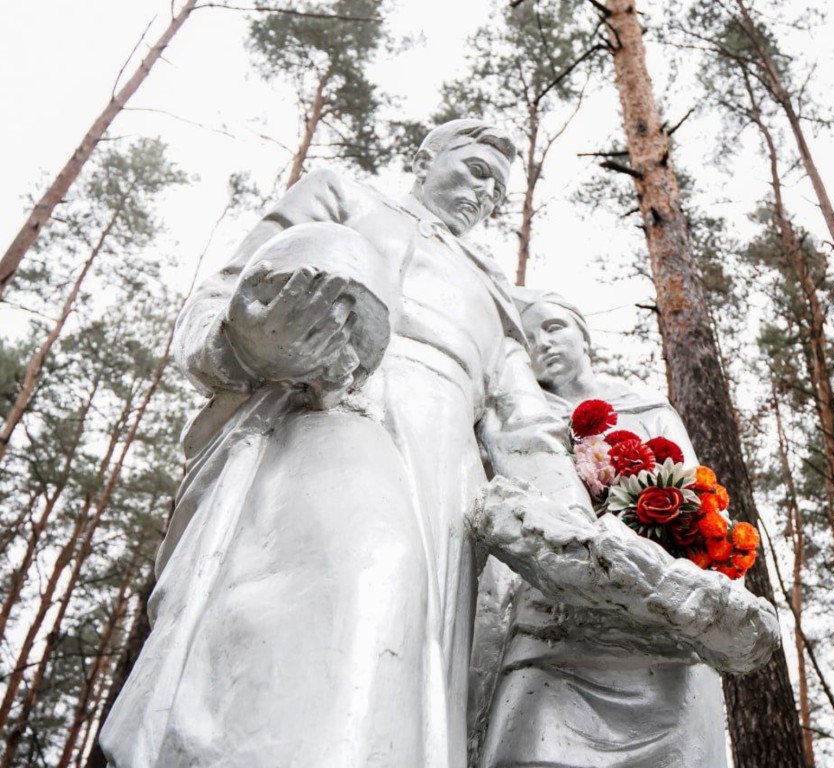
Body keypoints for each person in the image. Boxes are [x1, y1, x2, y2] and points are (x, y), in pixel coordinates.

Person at [100, 120, 594, 768]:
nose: (485, 195)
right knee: (362, 574)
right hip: (332, 406)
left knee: (418, 660)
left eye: (498, 192)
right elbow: (220, 306)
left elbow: (522, 419)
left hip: (451, 479)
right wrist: (262, 336)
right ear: (429, 156)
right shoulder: (344, 201)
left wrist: (577, 523)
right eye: (476, 170)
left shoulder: (495, 294)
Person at [474, 289, 729, 768]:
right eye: (528, 339)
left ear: (583, 334)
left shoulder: (648, 407)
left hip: (656, 624)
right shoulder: (515, 422)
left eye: (554, 327)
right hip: (554, 623)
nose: (544, 345)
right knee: (527, 747)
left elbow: (700, 503)